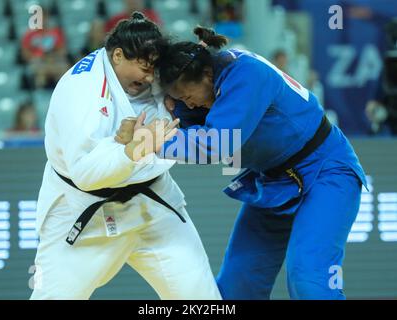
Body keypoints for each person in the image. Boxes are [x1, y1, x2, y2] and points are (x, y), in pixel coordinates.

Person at [121, 26, 367, 300]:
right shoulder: (196, 91)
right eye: (180, 100)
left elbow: (217, 145)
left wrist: (148, 142)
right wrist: (146, 131)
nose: (188, 106)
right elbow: (196, 139)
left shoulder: (246, 73)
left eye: (188, 97)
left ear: (207, 74)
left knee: (309, 280)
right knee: (237, 286)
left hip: (326, 171)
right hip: (273, 181)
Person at [30, 13, 221, 300]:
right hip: (84, 210)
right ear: (117, 55)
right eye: (143, 69)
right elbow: (85, 175)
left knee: (201, 299)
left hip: (153, 203)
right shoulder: (81, 91)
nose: (148, 77)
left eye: (152, 69)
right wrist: (131, 151)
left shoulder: (154, 70)